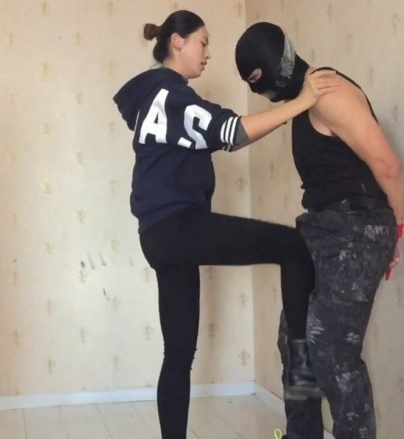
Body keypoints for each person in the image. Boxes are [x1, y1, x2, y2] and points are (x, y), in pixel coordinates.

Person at [112, 10, 340, 439]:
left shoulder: (155, 98)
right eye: (202, 42)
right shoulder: (170, 94)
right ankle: (302, 372)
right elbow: (232, 131)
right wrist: (301, 102)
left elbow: (225, 132)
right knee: (292, 246)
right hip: (179, 227)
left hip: (157, 235)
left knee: (178, 354)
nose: (207, 53)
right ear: (177, 42)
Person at [235, 22, 404, 439]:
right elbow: (235, 136)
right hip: (317, 231)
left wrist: (395, 231)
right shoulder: (302, 101)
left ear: (277, 65)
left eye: (258, 79)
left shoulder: (329, 93)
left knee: (332, 353)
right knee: (294, 341)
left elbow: (388, 166)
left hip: (356, 229)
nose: (260, 90)